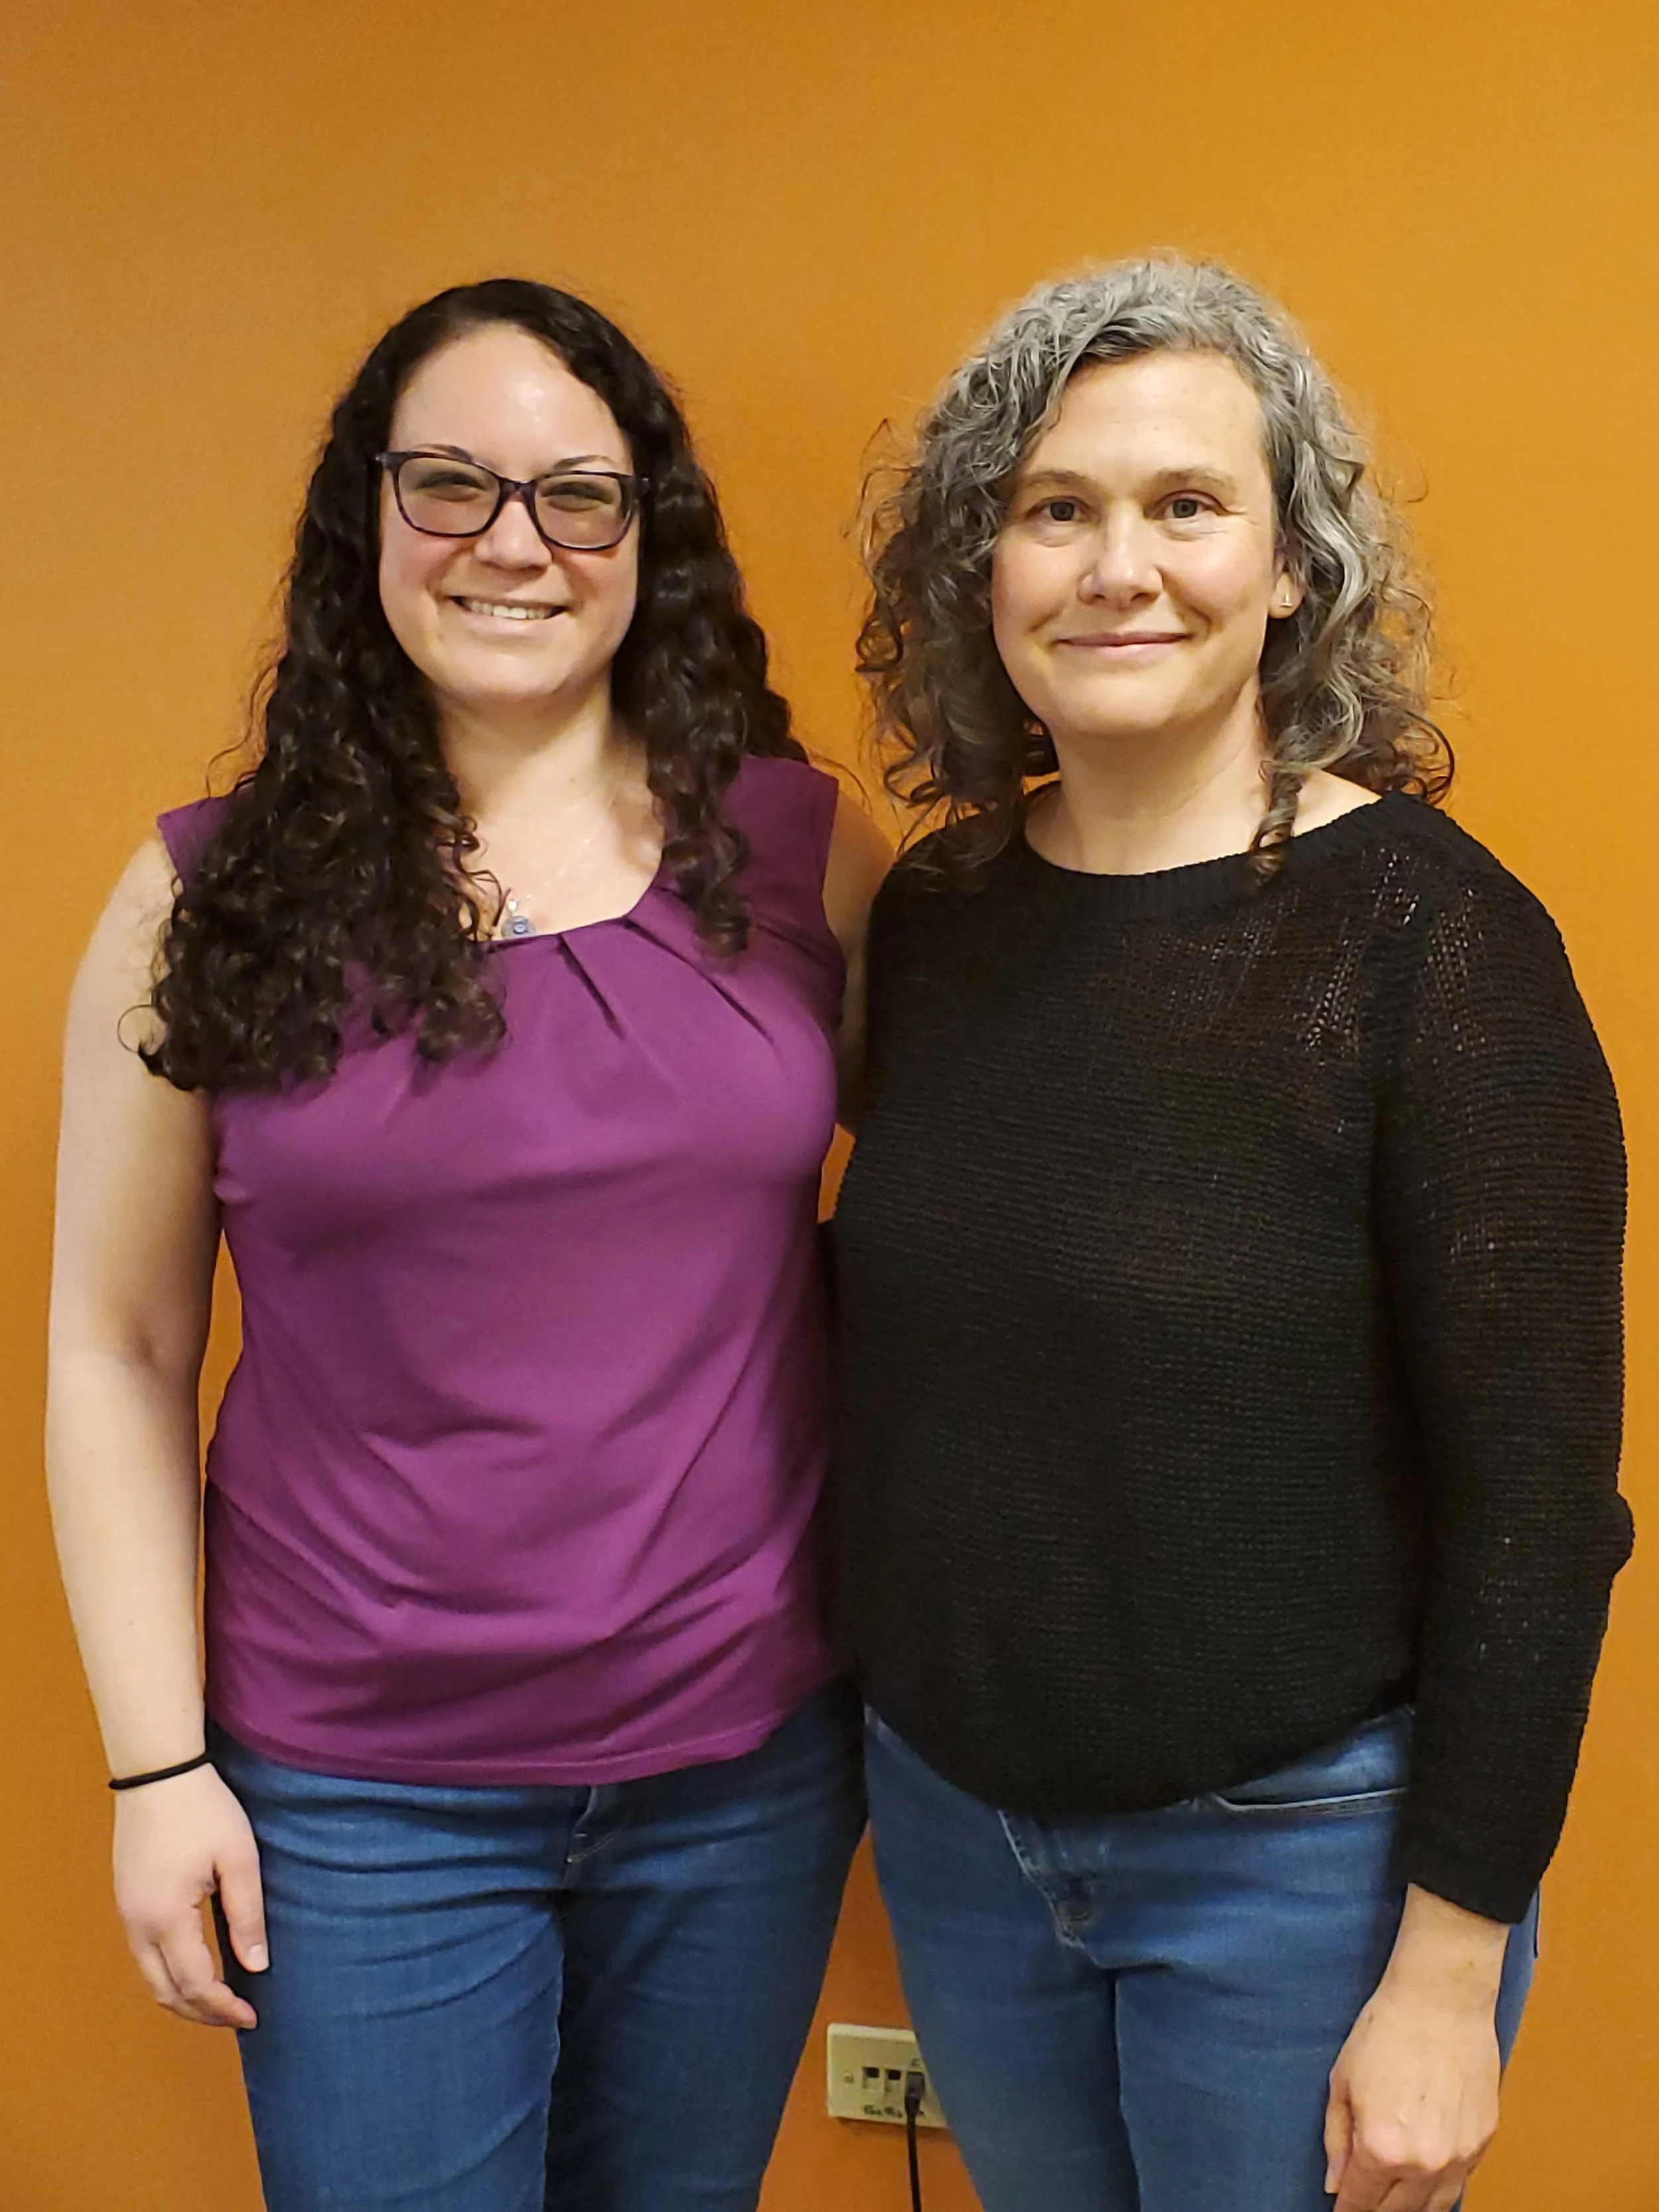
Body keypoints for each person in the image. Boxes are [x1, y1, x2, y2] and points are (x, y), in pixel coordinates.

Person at [47, 277, 889, 2212]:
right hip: (354, 1793)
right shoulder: (204, 894)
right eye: (449, 483)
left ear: (642, 539)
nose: (512, 541)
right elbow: (118, 1349)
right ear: (366, 519)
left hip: (742, 1766)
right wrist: (159, 1771)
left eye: (576, 495)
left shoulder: (791, 848)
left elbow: (985, 1204)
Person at [831, 256, 1630, 2212]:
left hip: (1298, 1860)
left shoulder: (1433, 945)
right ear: (984, 572)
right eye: (1055, 509)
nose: (1120, 567)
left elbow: (1536, 1501)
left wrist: (1447, 1966)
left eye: (1187, 506)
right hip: (954, 1831)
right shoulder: (931, 923)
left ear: (1291, 569)